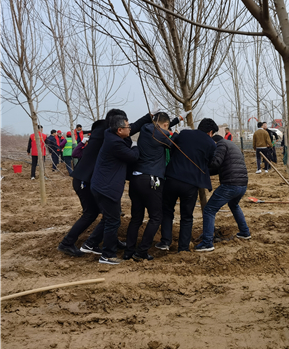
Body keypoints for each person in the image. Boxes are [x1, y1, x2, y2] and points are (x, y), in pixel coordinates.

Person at [57, 109, 152, 258]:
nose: (127, 126)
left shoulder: (107, 132)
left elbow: (131, 128)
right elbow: (131, 131)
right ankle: (67, 243)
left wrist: (149, 116)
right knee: (92, 213)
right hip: (85, 180)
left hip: (94, 180)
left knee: (111, 214)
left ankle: (107, 241)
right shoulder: (104, 134)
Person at [124, 112, 181, 261]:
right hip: (151, 179)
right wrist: (175, 134)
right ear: (165, 125)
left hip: (136, 178)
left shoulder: (145, 129)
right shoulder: (159, 134)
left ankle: (129, 251)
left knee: (136, 218)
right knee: (156, 217)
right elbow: (173, 144)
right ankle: (141, 251)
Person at [156, 118, 218, 253]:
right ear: (210, 132)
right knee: (187, 216)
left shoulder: (184, 134)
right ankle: (183, 248)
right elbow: (209, 163)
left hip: (172, 177)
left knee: (167, 211)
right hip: (191, 184)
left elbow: (172, 149)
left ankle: (165, 241)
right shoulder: (211, 144)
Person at [90, 114, 140, 264]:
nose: (130, 129)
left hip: (102, 185)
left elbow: (131, 132)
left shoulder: (111, 135)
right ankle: (107, 255)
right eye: (128, 127)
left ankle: (91, 243)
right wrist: (136, 146)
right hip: (106, 188)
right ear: (119, 130)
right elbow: (133, 156)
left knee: (109, 218)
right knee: (113, 221)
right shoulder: (115, 143)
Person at [195, 135, 251, 251]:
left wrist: (202, 164)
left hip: (230, 184)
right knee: (234, 205)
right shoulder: (232, 145)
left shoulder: (221, 144)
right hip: (242, 184)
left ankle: (207, 242)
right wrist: (204, 172)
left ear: (214, 142)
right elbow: (218, 167)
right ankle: (245, 232)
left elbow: (215, 163)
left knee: (209, 209)